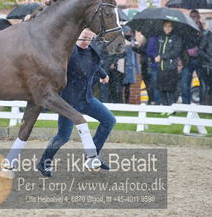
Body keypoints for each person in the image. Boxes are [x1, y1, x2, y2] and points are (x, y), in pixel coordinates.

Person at [37, 28, 116, 177]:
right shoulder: (68, 51)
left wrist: (103, 74)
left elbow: (95, 65)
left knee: (109, 120)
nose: (86, 41)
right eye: (84, 38)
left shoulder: (92, 51)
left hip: (87, 99)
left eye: (89, 38)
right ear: (77, 35)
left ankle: (93, 156)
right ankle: (44, 163)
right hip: (68, 103)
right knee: (63, 137)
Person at [155, 21, 182, 106]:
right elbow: (157, 50)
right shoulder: (160, 37)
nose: (167, 28)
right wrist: (156, 57)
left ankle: (171, 108)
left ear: (172, 27)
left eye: (169, 26)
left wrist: (162, 57)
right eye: (165, 26)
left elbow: (175, 52)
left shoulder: (176, 38)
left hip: (171, 68)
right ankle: (164, 107)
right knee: (162, 89)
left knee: (170, 90)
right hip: (161, 68)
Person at [181, 9, 203, 104]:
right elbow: (182, 44)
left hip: (199, 59)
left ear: (199, 18)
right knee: (185, 83)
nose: (194, 19)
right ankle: (186, 104)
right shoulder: (185, 29)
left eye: (196, 17)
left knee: (202, 82)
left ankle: (203, 104)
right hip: (187, 59)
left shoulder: (202, 31)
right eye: (192, 17)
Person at [122, 27, 140, 104]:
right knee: (120, 86)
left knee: (128, 86)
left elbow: (135, 56)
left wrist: (137, 69)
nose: (128, 33)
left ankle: (127, 101)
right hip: (123, 67)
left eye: (129, 31)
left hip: (131, 67)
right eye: (126, 32)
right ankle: (120, 102)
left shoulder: (133, 42)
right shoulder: (122, 42)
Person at [146, 35, 161, 105]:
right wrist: (156, 56)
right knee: (156, 85)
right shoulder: (153, 39)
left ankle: (162, 102)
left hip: (166, 66)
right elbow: (149, 51)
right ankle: (157, 102)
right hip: (155, 66)